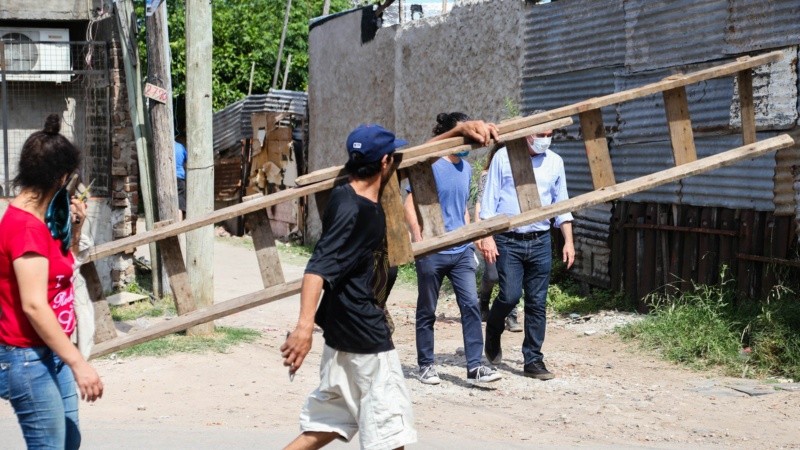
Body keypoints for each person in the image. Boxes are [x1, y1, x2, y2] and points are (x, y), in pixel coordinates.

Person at [280, 124, 415, 450]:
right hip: (365, 336)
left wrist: (463, 129)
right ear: (384, 162)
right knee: (390, 433)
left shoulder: (342, 194)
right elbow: (318, 268)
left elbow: (419, 155)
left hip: (342, 335)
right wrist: (303, 328)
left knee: (330, 423)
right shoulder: (356, 211)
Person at [0, 114, 104, 449]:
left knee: (68, 441)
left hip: (52, 351)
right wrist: (79, 363)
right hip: (28, 358)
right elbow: (33, 303)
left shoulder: (40, 222)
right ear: (61, 178)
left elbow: (60, 272)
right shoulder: (26, 228)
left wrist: (74, 230)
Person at [403, 112, 502, 386]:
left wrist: (472, 241)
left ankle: (475, 366)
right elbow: (409, 204)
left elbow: (463, 210)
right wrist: (419, 238)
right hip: (433, 250)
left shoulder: (466, 169)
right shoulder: (431, 165)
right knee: (427, 310)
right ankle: (426, 365)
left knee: (470, 305)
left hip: (460, 251)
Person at [478, 124, 575, 381]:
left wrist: (568, 241)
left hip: (541, 240)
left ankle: (533, 359)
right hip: (509, 240)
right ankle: (494, 329)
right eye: (540, 135)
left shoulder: (555, 162)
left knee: (537, 302)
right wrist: (487, 237)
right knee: (509, 296)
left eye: (549, 135)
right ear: (526, 135)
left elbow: (561, 204)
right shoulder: (503, 157)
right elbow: (488, 204)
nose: (545, 140)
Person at [474, 157, 522, 332]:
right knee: (493, 274)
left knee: (512, 276)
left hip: (514, 232)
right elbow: (480, 203)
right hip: (492, 231)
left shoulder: (522, 170)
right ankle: (484, 302)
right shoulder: (487, 175)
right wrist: (481, 232)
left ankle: (512, 316)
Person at [175, 139, 188, 218]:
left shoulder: (166, 148)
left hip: (168, 178)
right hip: (179, 177)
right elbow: (187, 160)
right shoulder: (180, 147)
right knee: (180, 202)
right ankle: (179, 224)